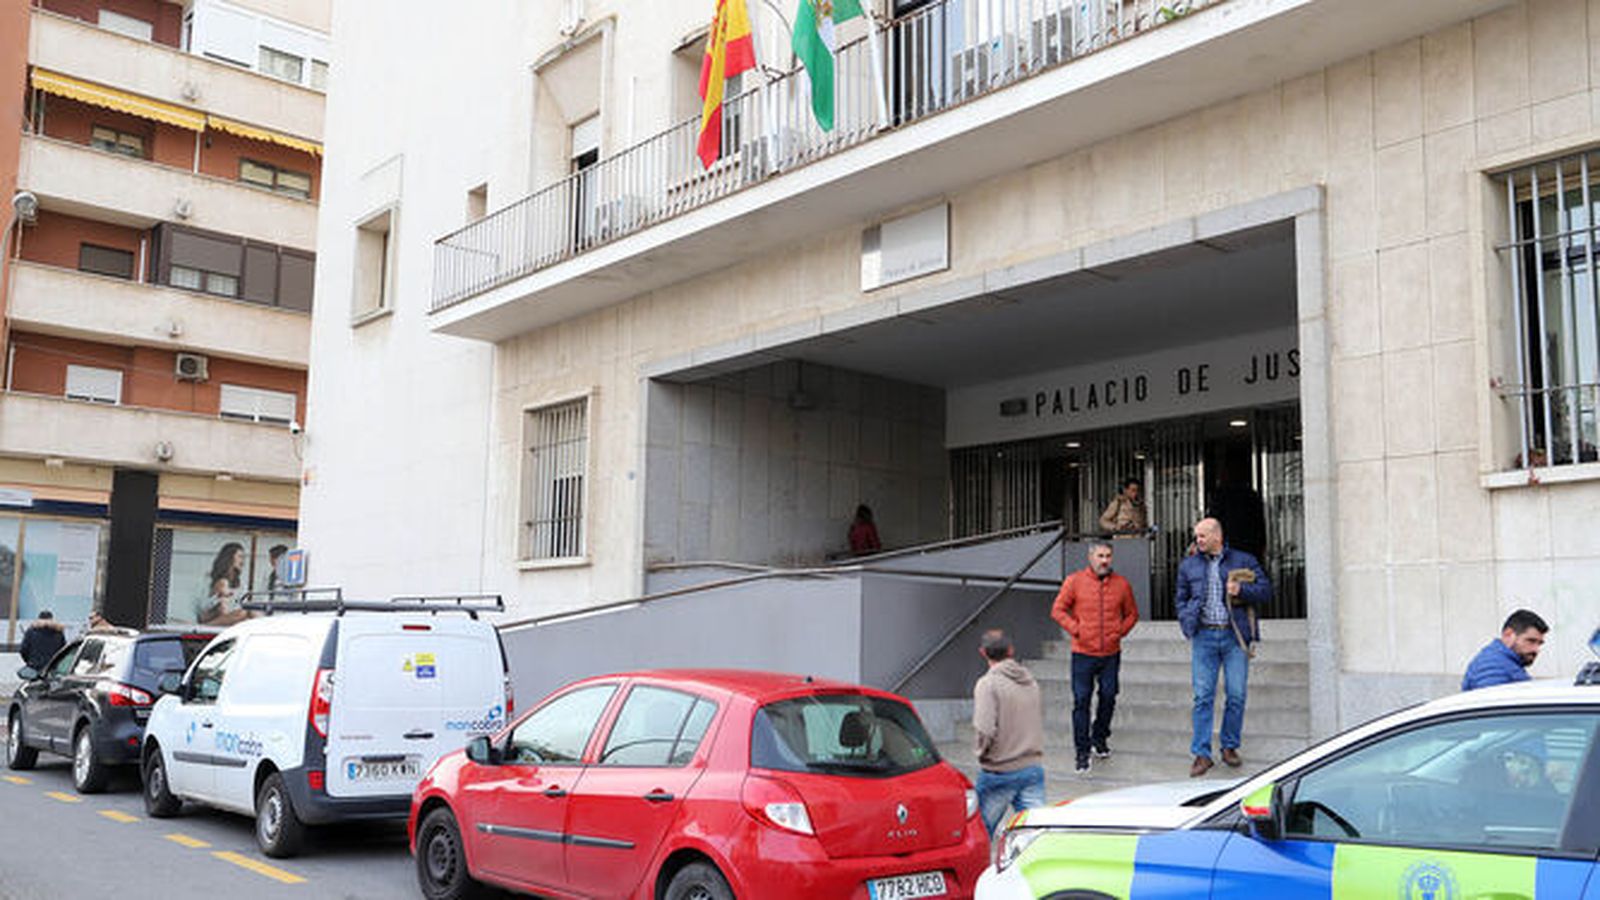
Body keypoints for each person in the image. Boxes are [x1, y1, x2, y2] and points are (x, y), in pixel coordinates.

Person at [1175, 517, 1271, 777]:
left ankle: (1229, 747)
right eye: (1196, 536)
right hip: (1204, 636)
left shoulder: (1244, 560)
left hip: (1234, 636)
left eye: (1202, 536)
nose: (1197, 540)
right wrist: (1186, 620)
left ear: (1217, 536)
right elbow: (1180, 598)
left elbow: (1266, 590)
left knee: (1236, 694)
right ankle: (1201, 754)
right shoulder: (1188, 565)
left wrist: (1242, 590)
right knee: (1202, 697)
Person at [1050, 542, 1139, 774]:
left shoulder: (1122, 584)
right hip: (1082, 653)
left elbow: (1132, 614)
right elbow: (1058, 610)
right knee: (1081, 701)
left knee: (1109, 696)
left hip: (1110, 653)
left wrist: (1120, 631)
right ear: (1091, 557)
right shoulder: (1074, 581)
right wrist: (1076, 629)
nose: (1105, 560)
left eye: (1108, 556)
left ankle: (1099, 737)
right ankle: (1082, 751)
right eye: (1100, 556)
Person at [972, 628, 1045, 835]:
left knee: (980, 834)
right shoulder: (1030, 681)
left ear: (983, 652)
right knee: (1036, 835)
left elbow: (984, 728)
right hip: (1032, 767)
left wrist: (981, 753)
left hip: (999, 770)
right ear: (1011, 650)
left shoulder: (987, 684)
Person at [1461, 609, 1548, 691]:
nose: (1536, 650)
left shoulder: (1506, 663)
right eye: (1531, 641)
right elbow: (1494, 701)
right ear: (1508, 635)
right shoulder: (1493, 666)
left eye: (1539, 643)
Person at [200, 542, 251, 626]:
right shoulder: (221, 581)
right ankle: (207, 626)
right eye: (240, 557)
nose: (243, 561)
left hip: (230, 617)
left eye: (243, 557)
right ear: (230, 558)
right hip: (213, 616)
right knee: (243, 613)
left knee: (250, 613)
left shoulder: (239, 582)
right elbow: (222, 610)